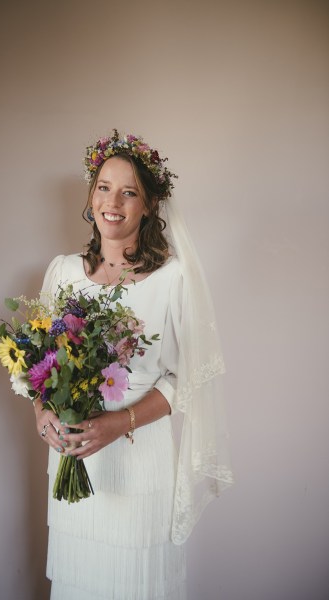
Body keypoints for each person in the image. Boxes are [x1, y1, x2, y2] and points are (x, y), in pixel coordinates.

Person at [33, 129, 234, 600]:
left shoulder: (172, 279)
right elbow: (40, 366)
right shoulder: (61, 272)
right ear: (90, 195)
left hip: (139, 464)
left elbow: (186, 378)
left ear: (148, 206)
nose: (113, 202)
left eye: (129, 192)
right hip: (72, 464)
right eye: (104, 186)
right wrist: (43, 415)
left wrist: (115, 422)